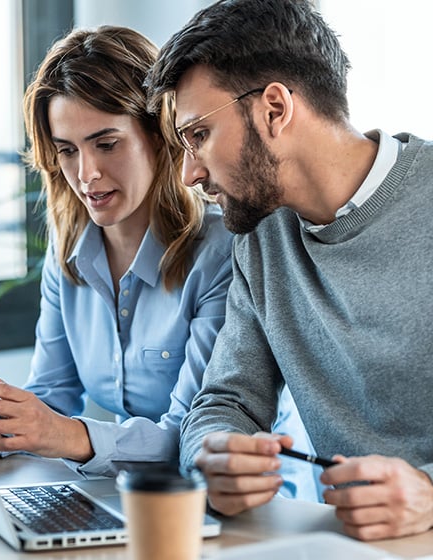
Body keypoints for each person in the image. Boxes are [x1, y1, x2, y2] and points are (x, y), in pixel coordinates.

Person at [0, 24, 309, 492]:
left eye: (106, 143)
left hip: (253, 503)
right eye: (68, 151)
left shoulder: (222, 253)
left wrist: (64, 434)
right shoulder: (70, 253)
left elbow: (190, 435)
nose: (87, 174)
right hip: (138, 496)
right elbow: (52, 397)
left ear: (159, 135)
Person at [146, 0, 433, 542]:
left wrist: (431, 494)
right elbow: (226, 400)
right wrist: (213, 454)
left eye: (198, 135)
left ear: (274, 109)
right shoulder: (260, 239)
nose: (188, 172)